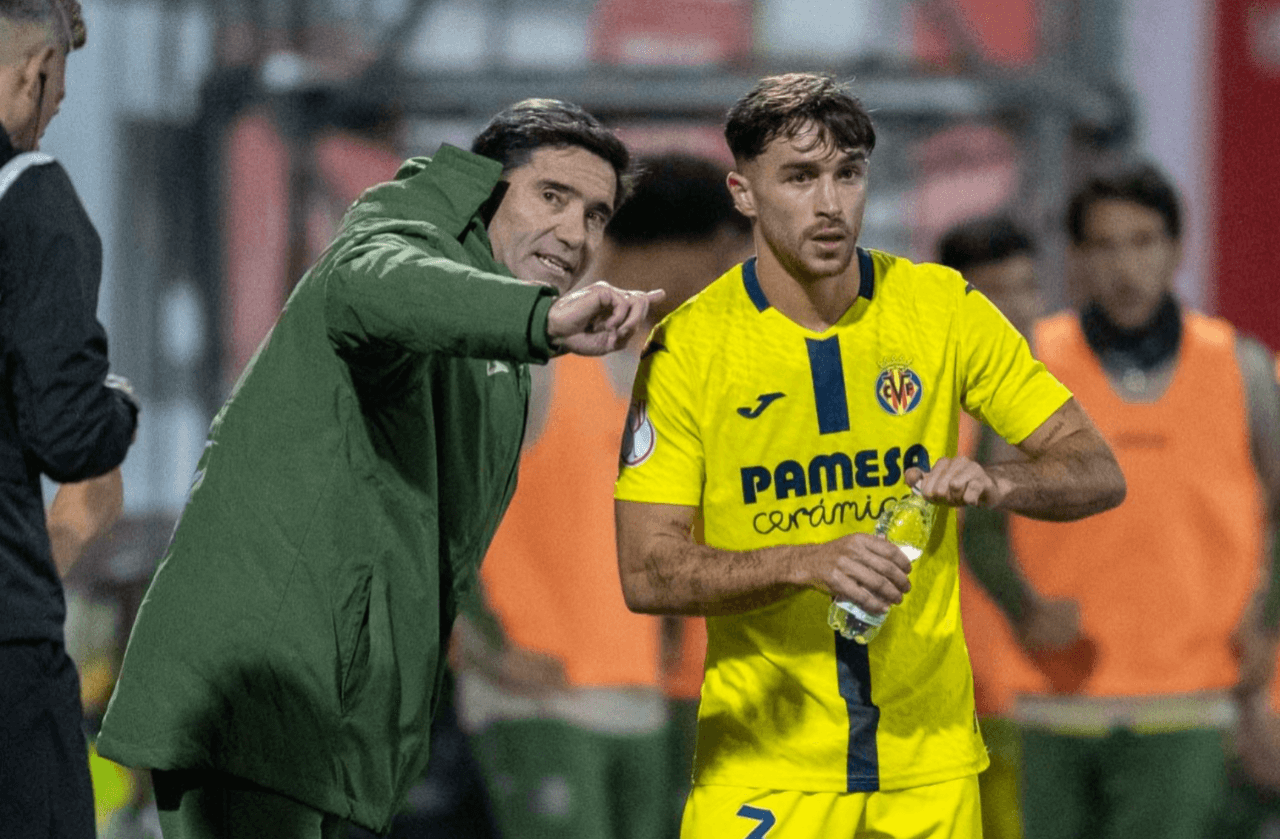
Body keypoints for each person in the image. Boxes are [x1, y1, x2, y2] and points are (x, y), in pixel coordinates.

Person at [96, 98, 662, 839]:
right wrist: (538, 320)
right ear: (486, 188)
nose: (574, 232)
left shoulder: (498, 353)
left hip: (342, 725)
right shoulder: (403, 231)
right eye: (551, 196)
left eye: (594, 214)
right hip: (262, 701)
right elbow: (377, 282)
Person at [613, 72, 1125, 839]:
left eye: (847, 174)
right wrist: (805, 560)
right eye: (800, 177)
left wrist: (998, 479)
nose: (830, 203)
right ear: (744, 194)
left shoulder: (944, 310)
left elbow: (1097, 469)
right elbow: (646, 571)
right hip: (764, 765)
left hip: (929, 768)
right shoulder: (687, 348)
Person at [966, 164, 1280, 839]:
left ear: (1176, 248)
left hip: (1192, 701)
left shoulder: (1240, 366)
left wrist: (1267, 622)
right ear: (1077, 259)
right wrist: (1023, 607)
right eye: (1104, 246)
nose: (1125, 266)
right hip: (1053, 701)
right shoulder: (1030, 363)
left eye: (1143, 241)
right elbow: (980, 519)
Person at [451, 153, 751, 839]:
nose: (726, 284)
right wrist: (484, 645)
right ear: (693, 249)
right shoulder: (537, 355)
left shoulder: (657, 370)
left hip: (637, 696)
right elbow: (435, 500)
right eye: (724, 262)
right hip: (538, 696)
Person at [0, 2, 141, 838]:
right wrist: (114, 404)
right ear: (36, 70)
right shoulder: (29, 196)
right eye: (58, 92)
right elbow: (71, 435)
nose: (54, 112)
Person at [937, 213, 1047, 839]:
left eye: (1026, 287)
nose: (1017, 309)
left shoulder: (1052, 399)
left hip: (1037, 688)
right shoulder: (924, 407)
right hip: (963, 690)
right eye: (995, 293)